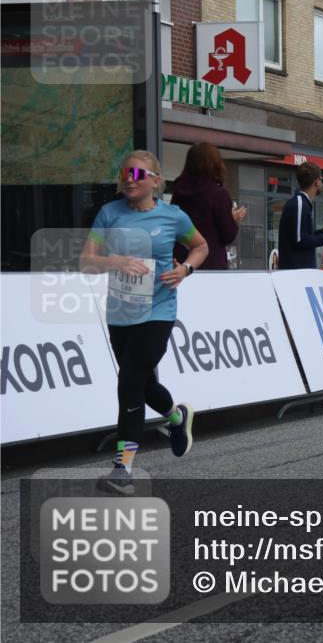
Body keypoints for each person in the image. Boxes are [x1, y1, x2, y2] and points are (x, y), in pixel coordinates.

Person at [79, 150, 209, 495]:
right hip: (120, 313)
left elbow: (200, 246)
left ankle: (123, 469)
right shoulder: (109, 213)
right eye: (125, 174)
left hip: (158, 311)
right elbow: (86, 261)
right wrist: (116, 260)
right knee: (142, 384)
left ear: (155, 181)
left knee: (130, 382)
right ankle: (177, 417)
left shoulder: (173, 217)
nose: (129, 180)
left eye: (137, 174)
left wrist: (185, 269)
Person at [170, 142, 245, 270]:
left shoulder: (178, 191)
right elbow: (227, 235)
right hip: (211, 263)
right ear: (216, 164)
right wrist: (233, 220)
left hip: (182, 262)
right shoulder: (218, 194)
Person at [278, 162, 323, 270]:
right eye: (322, 180)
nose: (322, 184)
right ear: (316, 182)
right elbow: (300, 241)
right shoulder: (300, 203)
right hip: (296, 274)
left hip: (299, 272)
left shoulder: (302, 202)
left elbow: (303, 237)